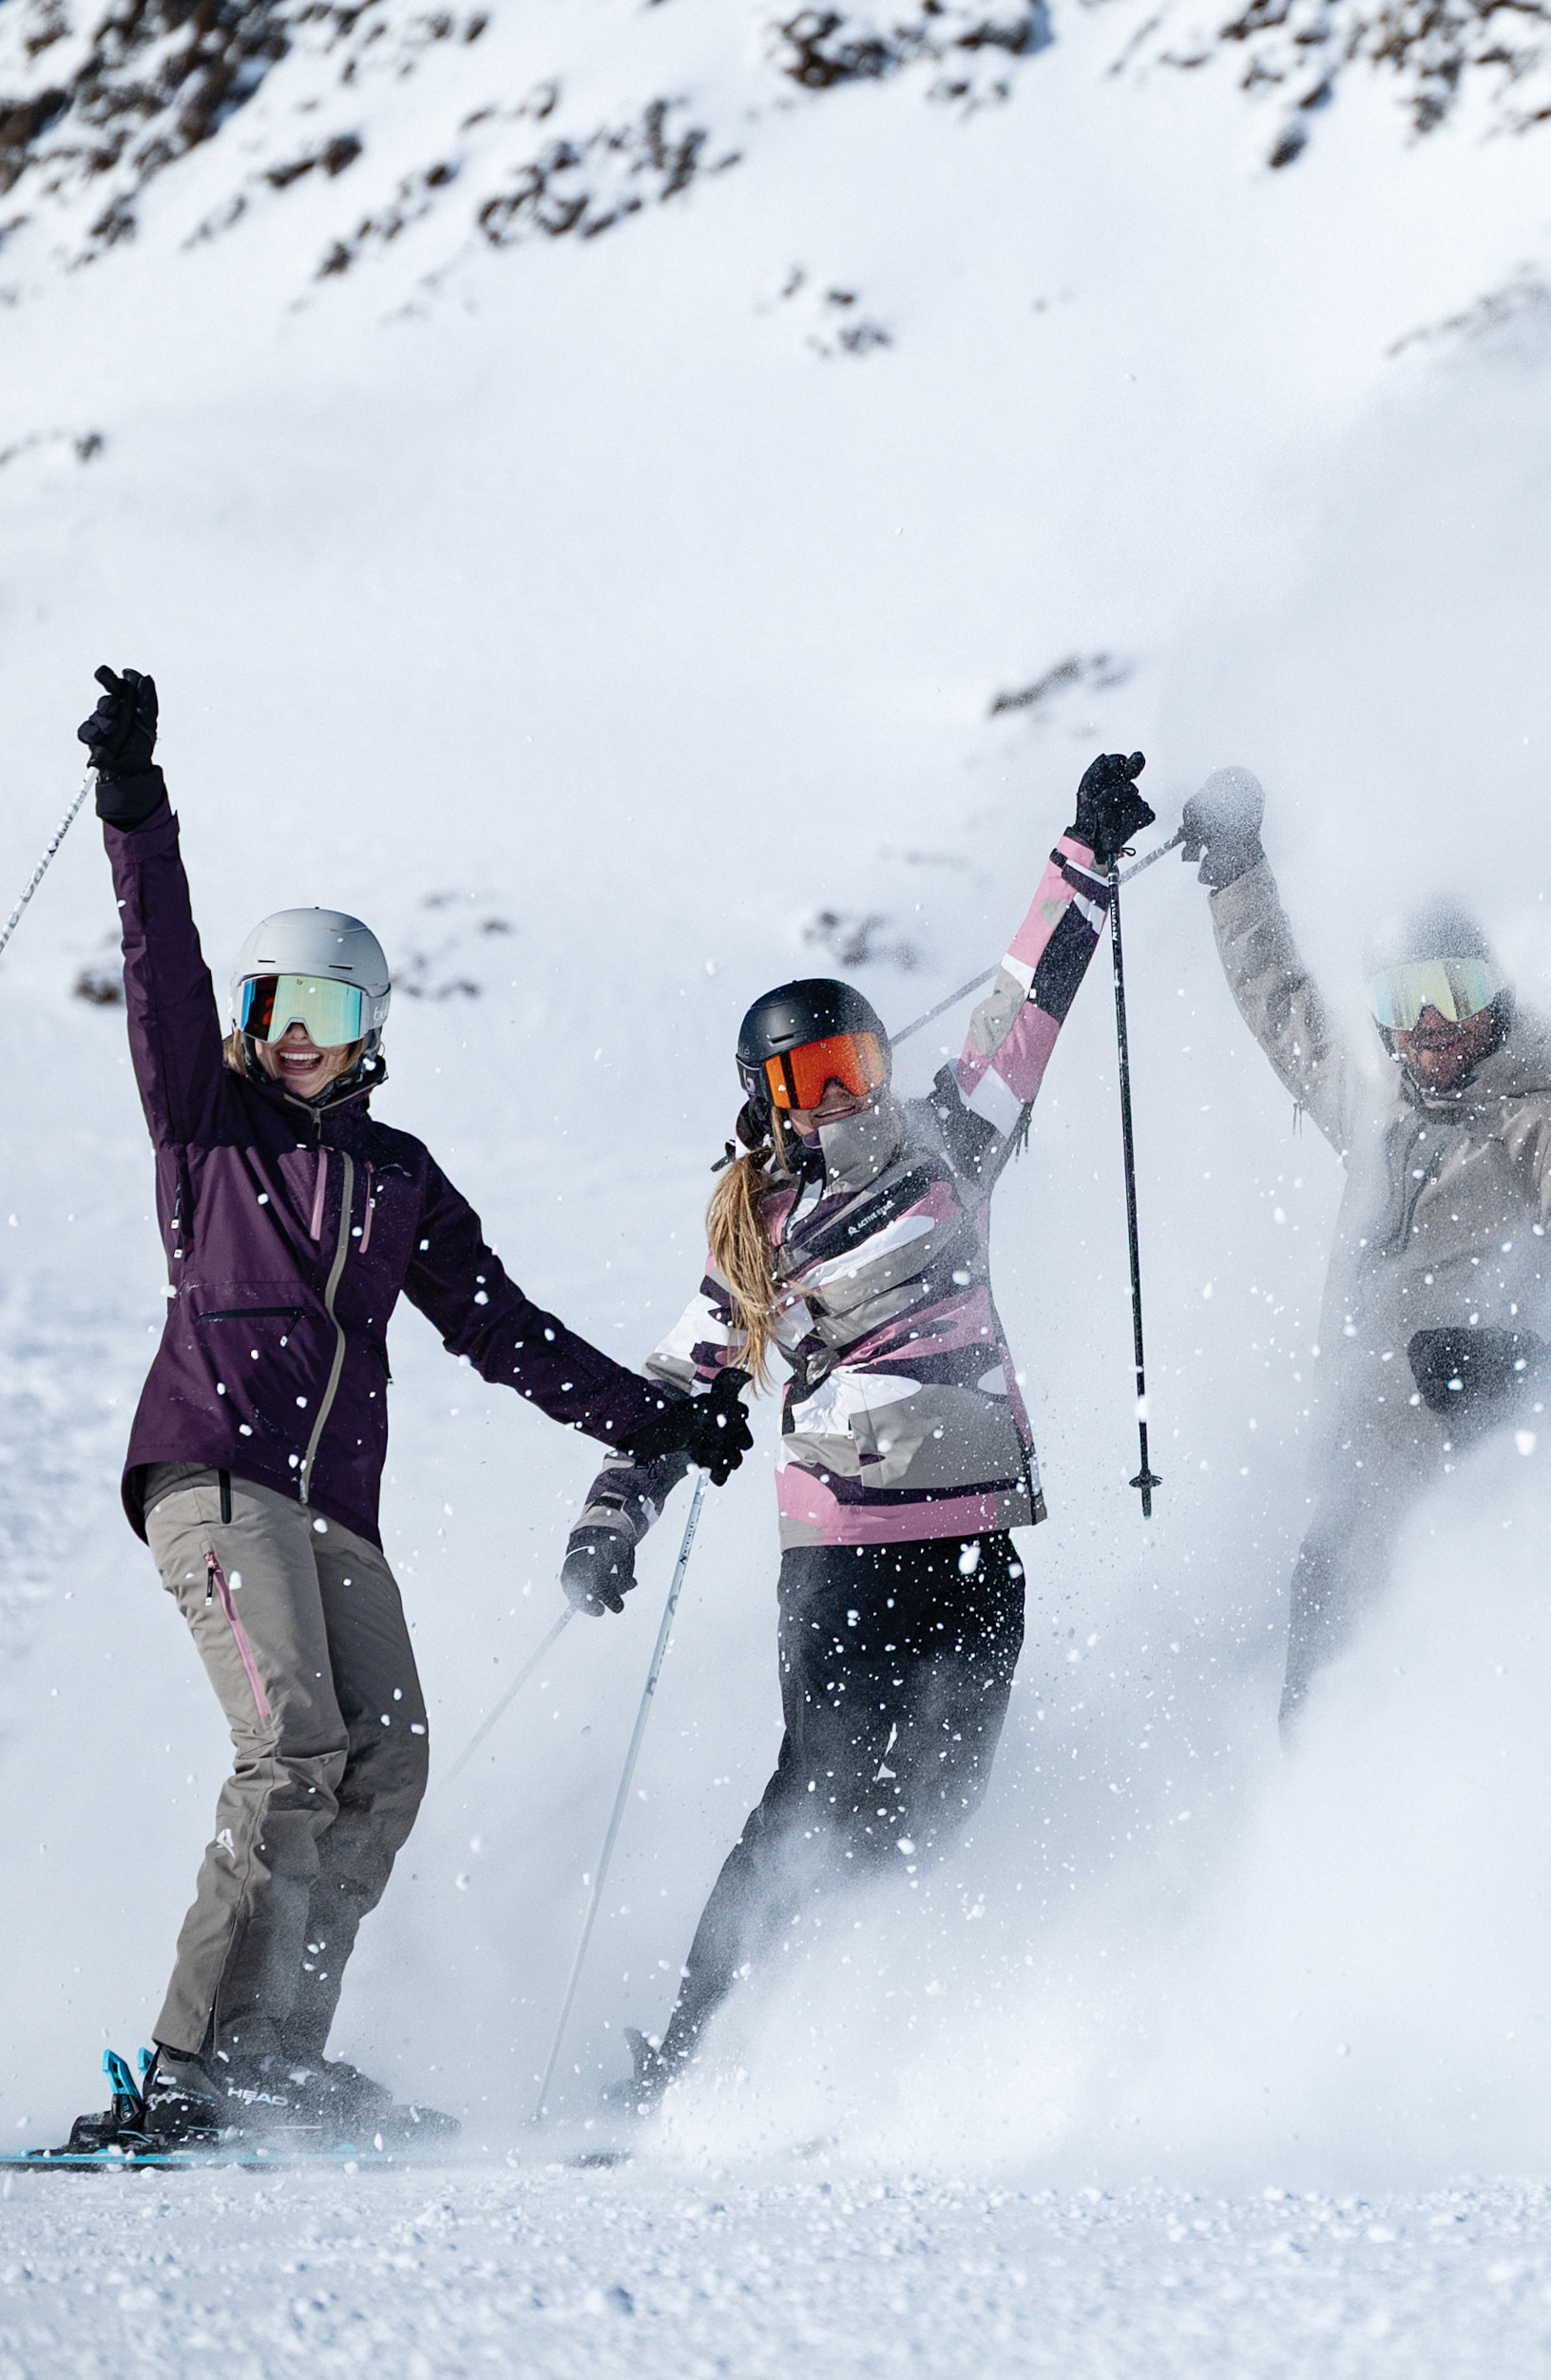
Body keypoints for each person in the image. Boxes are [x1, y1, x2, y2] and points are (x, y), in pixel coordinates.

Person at [57, 665, 751, 2155]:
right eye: (275, 1007)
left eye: (328, 1009)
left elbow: (501, 1328)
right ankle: (186, 2061)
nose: (296, 1033)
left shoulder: (399, 1177)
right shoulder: (205, 1124)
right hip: (215, 1473)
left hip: (328, 1508)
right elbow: (159, 961)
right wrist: (136, 802)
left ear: (370, 1026)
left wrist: (656, 1418)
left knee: (388, 1756)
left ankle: (279, 2053)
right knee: (291, 1743)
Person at [563, 753, 1154, 2102]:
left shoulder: (950, 1145)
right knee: (818, 1798)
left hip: (977, 1540)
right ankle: (695, 2050)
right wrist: (617, 1511)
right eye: (810, 1075)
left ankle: (846, 2047)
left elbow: (1020, 1018)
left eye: (856, 1063)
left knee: (935, 1813)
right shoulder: (760, 1228)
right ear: (769, 1094)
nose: (840, 1095)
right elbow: (683, 1374)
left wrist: (1085, 856)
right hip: (845, 1552)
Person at [1169, 766, 1551, 1721]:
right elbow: (1281, 1009)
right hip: (1355, 1466)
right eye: (1407, 999)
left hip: (1466, 1469)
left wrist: (1529, 1386)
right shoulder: (1375, 1117)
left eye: (1455, 992)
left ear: (1495, 1000)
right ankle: (1310, 1851)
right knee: (1320, 1688)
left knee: (1439, 1687)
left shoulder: (1544, 1125)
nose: (1431, 1025)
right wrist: (1237, 869)